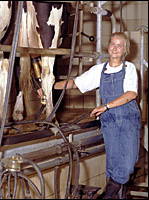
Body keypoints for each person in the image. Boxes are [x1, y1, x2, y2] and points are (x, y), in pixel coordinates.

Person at [49, 32, 141, 199]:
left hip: (128, 121)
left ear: (125, 50)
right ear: (108, 46)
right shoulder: (99, 70)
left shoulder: (130, 68)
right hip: (110, 122)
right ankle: (117, 196)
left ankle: (106, 195)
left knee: (127, 165)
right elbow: (76, 83)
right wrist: (50, 86)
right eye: (113, 44)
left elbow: (131, 94)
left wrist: (106, 106)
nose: (115, 48)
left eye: (119, 45)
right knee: (113, 165)